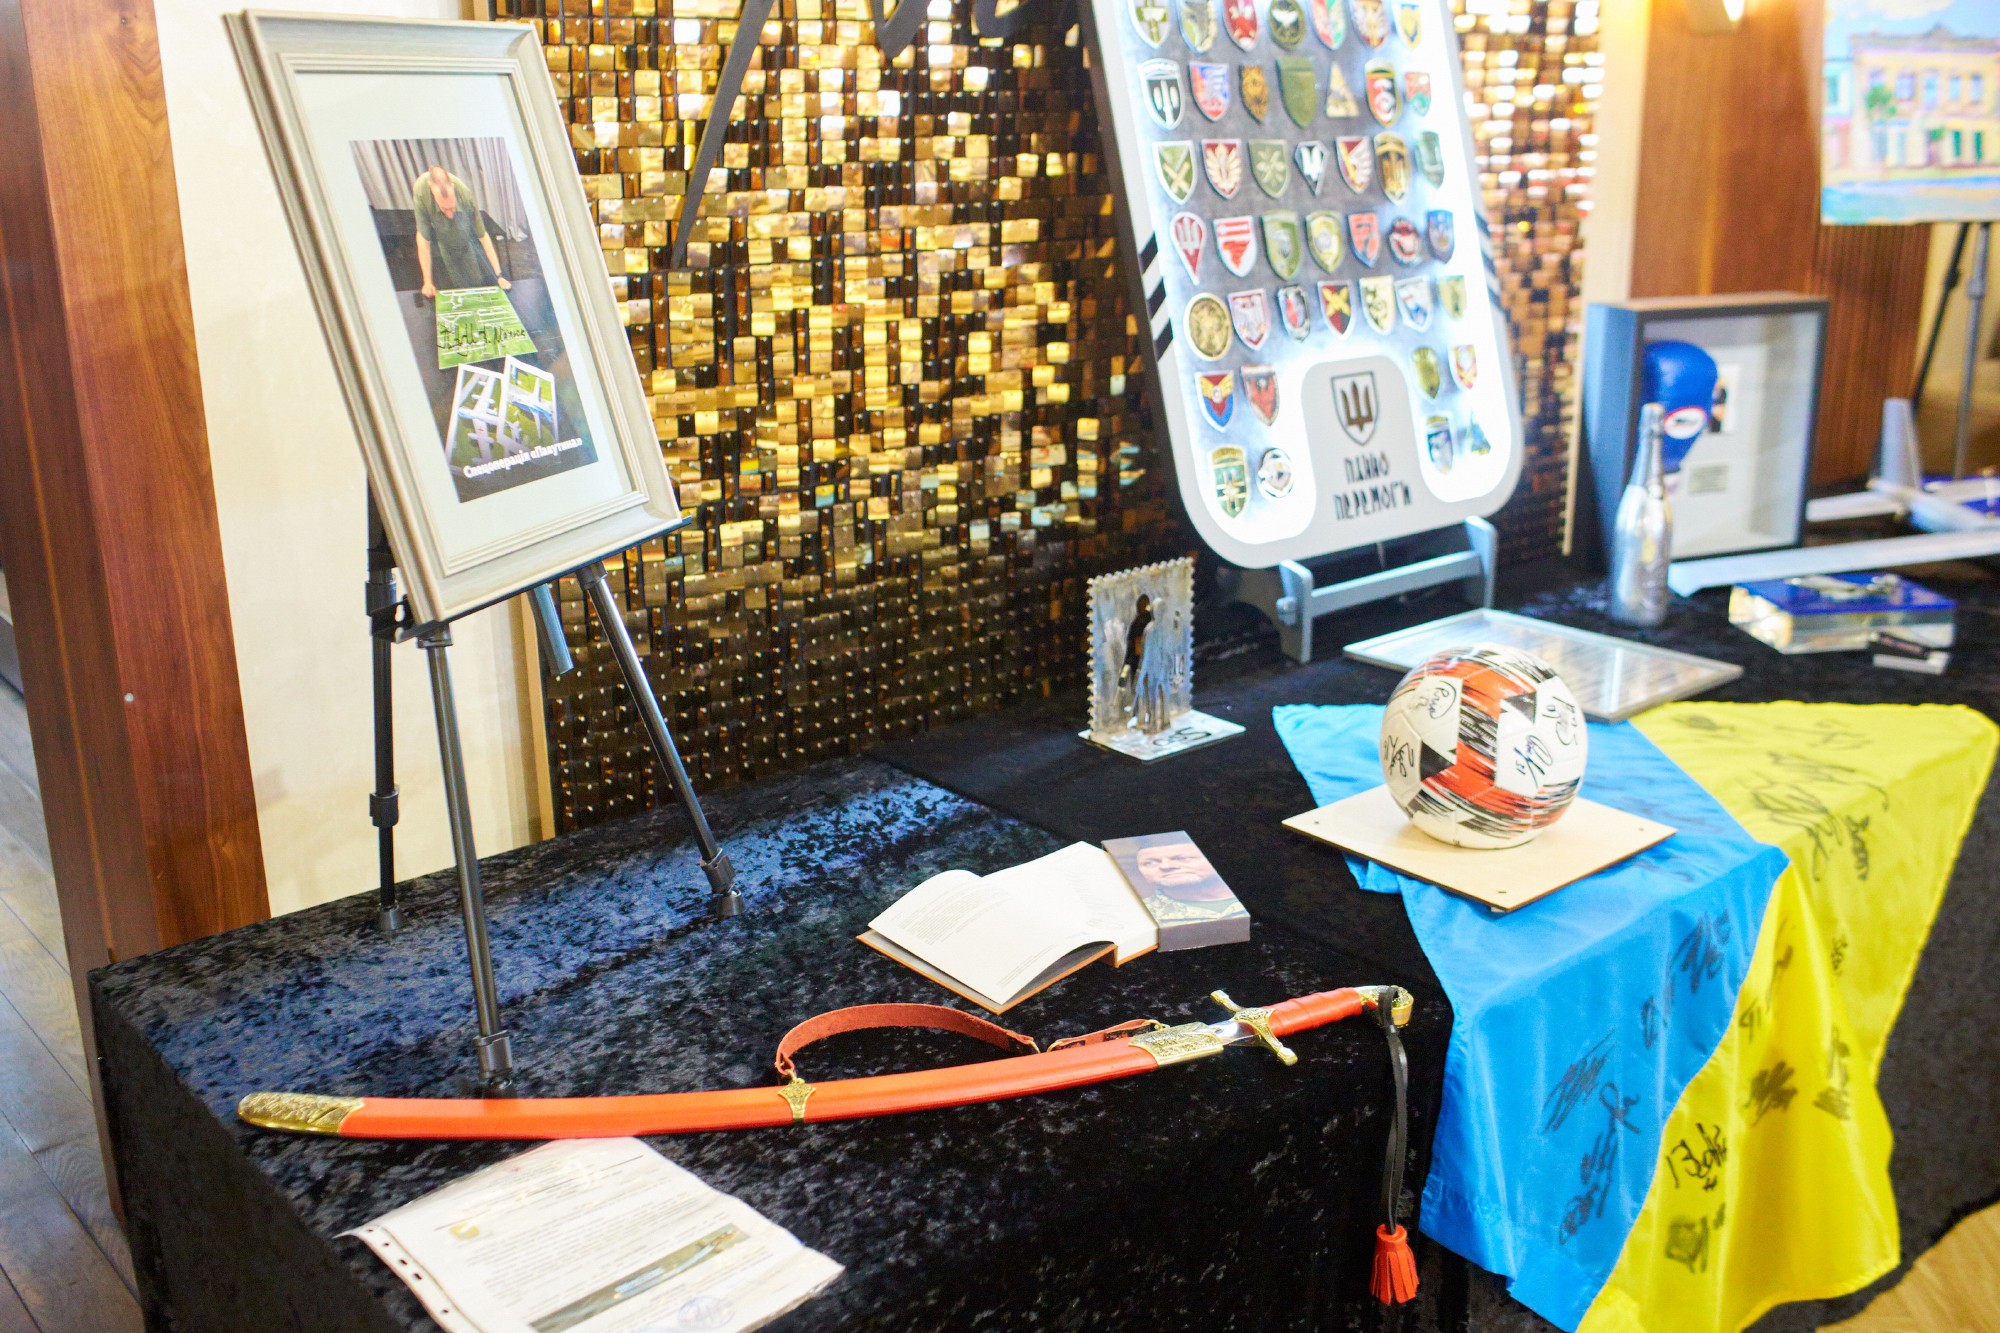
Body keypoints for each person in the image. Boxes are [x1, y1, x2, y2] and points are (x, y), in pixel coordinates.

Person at [413, 165, 510, 298]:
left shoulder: (465, 195)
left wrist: (499, 275)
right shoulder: (421, 191)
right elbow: (423, 240)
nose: (449, 214)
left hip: (465, 238)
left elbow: (483, 237)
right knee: (456, 283)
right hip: (444, 240)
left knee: (476, 280)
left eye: (452, 208)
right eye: (444, 208)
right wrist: (428, 281)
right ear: (432, 192)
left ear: (453, 187)